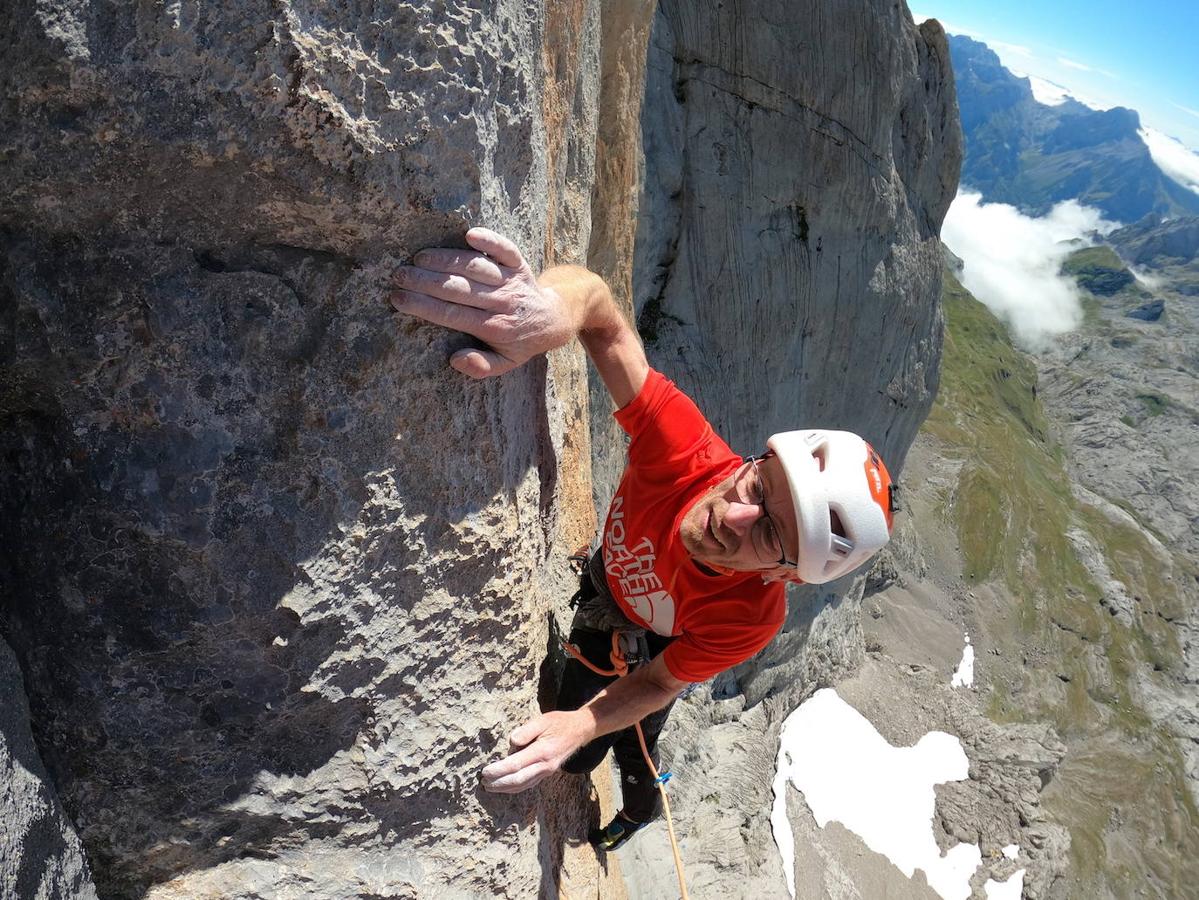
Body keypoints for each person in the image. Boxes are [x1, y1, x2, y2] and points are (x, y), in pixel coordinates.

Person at [390, 227, 896, 849]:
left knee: (600, 745)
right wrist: (549, 309)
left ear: (783, 576)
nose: (734, 515)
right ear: (755, 459)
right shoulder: (684, 449)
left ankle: (639, 806)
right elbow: (600, 313)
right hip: (612, 593)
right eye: (760, 488)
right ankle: (604, 712)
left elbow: (657, 682)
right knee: (590, 720)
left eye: (769, 534)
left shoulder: (747, 619)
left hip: (651, 642)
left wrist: (578, 727)